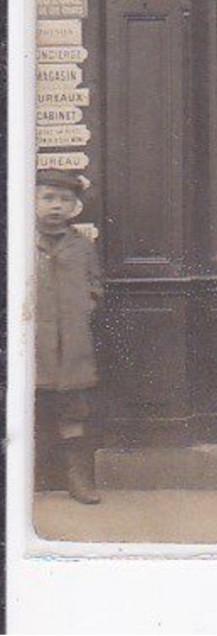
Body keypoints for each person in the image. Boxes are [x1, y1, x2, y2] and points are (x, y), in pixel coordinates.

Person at [34, 169, 105, 506]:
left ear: (75, 206)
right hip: (31, 346)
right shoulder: (20, 243)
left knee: (73, 411)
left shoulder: (82, 246)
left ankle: (78, 478)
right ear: (33, 201)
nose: (56, 206)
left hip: (72, 347)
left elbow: (95, 286)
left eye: (64, 199)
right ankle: (27, 479)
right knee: (25, 409)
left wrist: (87, 305)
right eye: (48, 198)